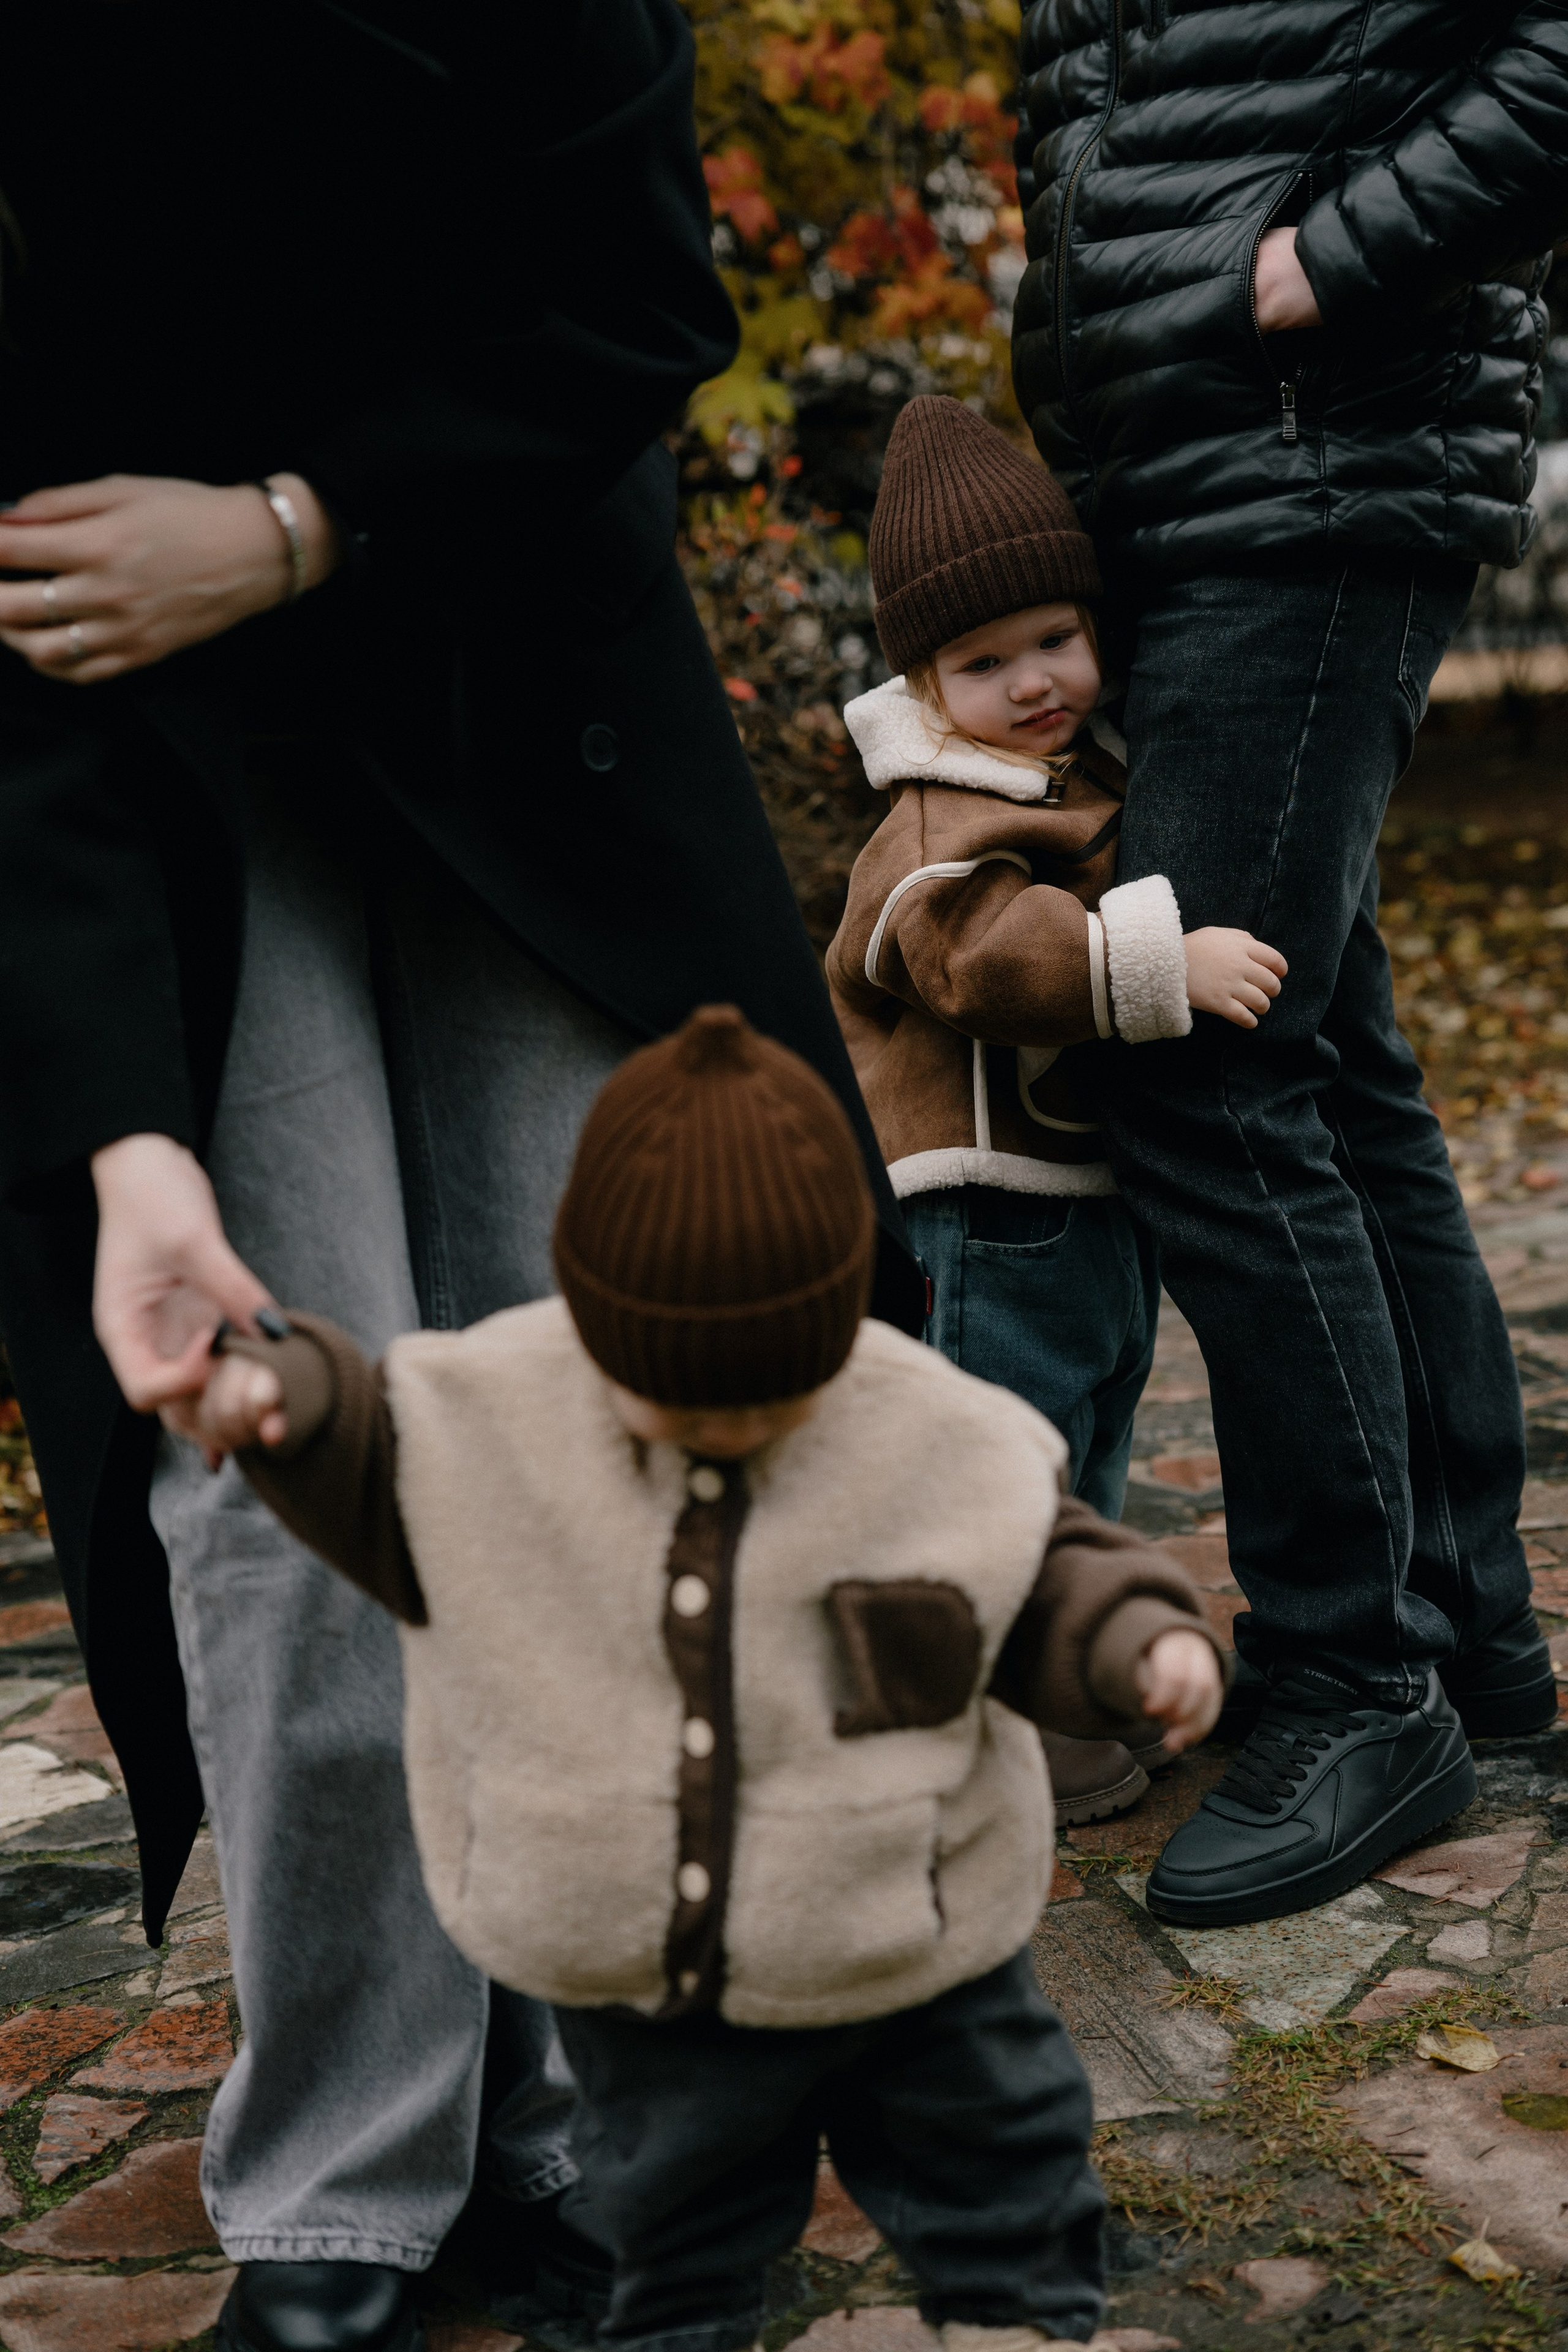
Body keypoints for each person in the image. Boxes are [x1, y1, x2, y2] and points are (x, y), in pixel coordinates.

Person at [0, 9, 922, 2350]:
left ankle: (594, 2123)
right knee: (279, 1466)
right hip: (159, 772)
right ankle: (344, 2194)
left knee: (598, 1428)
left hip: (522, 675)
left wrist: (293, 529)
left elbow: (630, 301)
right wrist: (123, 1138)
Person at [179, 1003, 1226, 2352]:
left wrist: (1140, 1641)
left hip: (913, 1941)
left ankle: (1022, 2308)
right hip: (653, 1984)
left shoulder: (929, 1433)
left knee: (1002, 2168)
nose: (722, 1427)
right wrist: (288, 1402)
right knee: (665, 2221)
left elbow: (1044, 1565)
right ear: (592, 1322)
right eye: (674, 1398)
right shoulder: (493, 1422)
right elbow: (375, 1454)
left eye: (769, 1398)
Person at [1011, 3, 1568, 1928]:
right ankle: (1462, 1632)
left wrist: (1333, 257)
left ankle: (1356, 1676)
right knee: (1311, 1039)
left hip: (1314, 443)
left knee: (1198, 1047)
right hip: (1181, 460)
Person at [825, 396, 1284, 1828]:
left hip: (1074, 1196)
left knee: (1087, 1440)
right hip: (980, 1207)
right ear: (921, 683)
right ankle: (993, 1720)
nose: (1032, 681)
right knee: (996, 1461)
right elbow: (970, 955)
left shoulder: (1067, 769)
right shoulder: (935, 813)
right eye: (982, 661)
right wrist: (1155, 962)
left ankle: (1074, 1671)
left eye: (1054, 640)